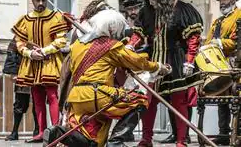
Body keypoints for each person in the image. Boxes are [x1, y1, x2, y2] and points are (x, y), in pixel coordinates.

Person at [43, 9, 171, 147]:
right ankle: (116, 141)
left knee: (91, 141)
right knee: (139, 100)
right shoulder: (111, 46)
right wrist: (158, 67)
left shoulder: (77, 45)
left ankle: (58, 132)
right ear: (112, 28)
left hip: (76, 97)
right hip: (98, 94)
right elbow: (137, 61)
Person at [137, 0, 203, 147]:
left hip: (176, 60)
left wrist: (189, 61)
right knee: (148, 102)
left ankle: (181, 140)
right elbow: (138, 33)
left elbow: (193, 38)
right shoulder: (147, 11)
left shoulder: (183, 9)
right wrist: (130, 46)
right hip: (154, 62)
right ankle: (146, 139)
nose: (151, 3)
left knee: (178, 102)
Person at [11, 0, 70, 143]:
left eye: (43, 0)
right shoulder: (25, 19)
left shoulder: (55, 16)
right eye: (38, 0)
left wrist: (43, 51)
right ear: (32, 1)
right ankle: (41, 132)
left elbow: (61, 41)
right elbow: (19, 42)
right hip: (31, 63)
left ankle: (56, 131)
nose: (41, 3)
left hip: (49, 61)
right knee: (36, 98)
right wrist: (30, 53)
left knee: (52, 96)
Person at [204, 0, 241, 145]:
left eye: (225, 0)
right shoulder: (217, 21)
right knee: (222, 98)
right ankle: (223, 133)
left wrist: (219, 43)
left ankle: (238, 133)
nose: (222, 3)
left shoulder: (239, 16)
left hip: (235, 64)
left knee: (236, 99)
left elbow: (237, 42)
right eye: (220, 1)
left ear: (233, 0)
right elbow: (209, 41)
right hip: (219, 64)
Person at [3, 38, 39, 141]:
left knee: (38, 104)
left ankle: (37, 131)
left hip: (38, 71)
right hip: (22, 71)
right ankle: (14, 132)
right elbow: (12, 51)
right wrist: (13, 71)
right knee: (19, 103)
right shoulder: (21, 32)